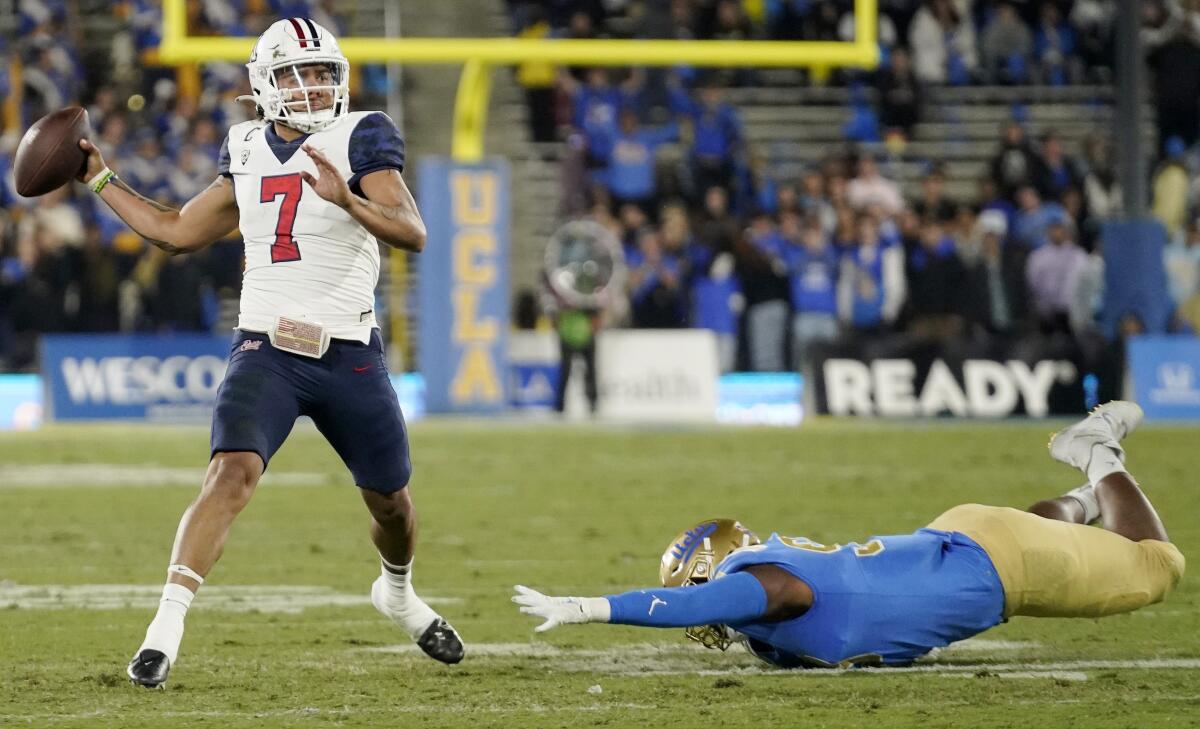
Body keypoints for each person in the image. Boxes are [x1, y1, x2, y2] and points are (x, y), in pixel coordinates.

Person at [73, 18, 464, 688]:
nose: (313, 86)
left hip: (349, 351)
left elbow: (413, 232)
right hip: (266, 345)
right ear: (263, 83)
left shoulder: (361, 136)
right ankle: (162, 633)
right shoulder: (245, 146)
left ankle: (396, 590)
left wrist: (346, 198)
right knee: (230, 474)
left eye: (322, 73)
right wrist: (101, 179)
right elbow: (175, 231)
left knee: (393, 504)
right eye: (297, 74)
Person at [514, 402, 1184, 669]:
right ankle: (1082, 500)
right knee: (1044, 529)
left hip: (993, 564)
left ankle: (1096, 453)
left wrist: (591, 606)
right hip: (963, 540)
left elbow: (696, 605)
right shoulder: (774, 631)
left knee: (1158, 565)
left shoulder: (767, 586)